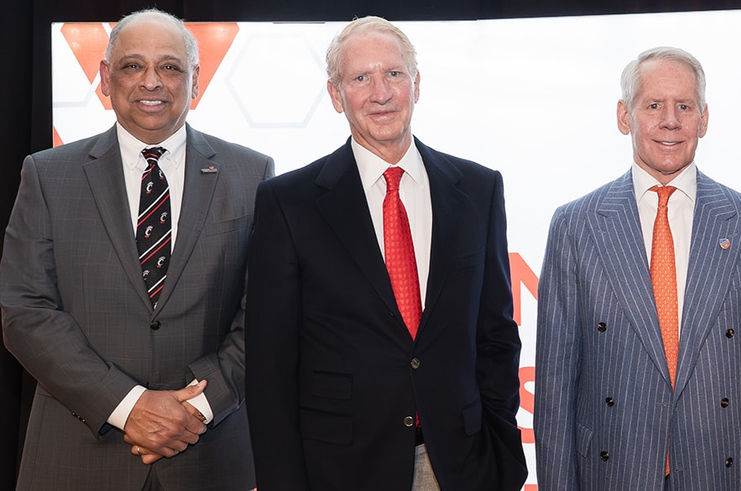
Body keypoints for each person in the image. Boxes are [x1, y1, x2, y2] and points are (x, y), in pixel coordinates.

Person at [245, 16, 526, 491]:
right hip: (340, 470)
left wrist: (502, 456)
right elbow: (270, 370)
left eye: (393, 74)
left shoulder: (479, 190)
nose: (381, 93)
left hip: (463, 464)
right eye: (361, 78)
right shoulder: (288, 203)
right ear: (336, 95)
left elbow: (496, 334)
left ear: (416, 84)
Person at [0, 8, 271, 490]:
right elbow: (26, 311)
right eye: (132, 66)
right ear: (105, 78)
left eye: (170, 66)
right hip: (77, 457)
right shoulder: (47, 175)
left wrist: (195, 409)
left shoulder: (252, 175)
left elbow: (267, 313)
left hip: (208, 456)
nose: (151, 81)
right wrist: (128, 406)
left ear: (195, 80)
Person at [534, 46, 741, 490]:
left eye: (684, 106)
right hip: (613, 476)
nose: (670, 121)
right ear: (624, 116)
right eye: (653, 106)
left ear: (704, 118)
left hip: (723, 476)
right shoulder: (575, 226)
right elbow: (554, 392)